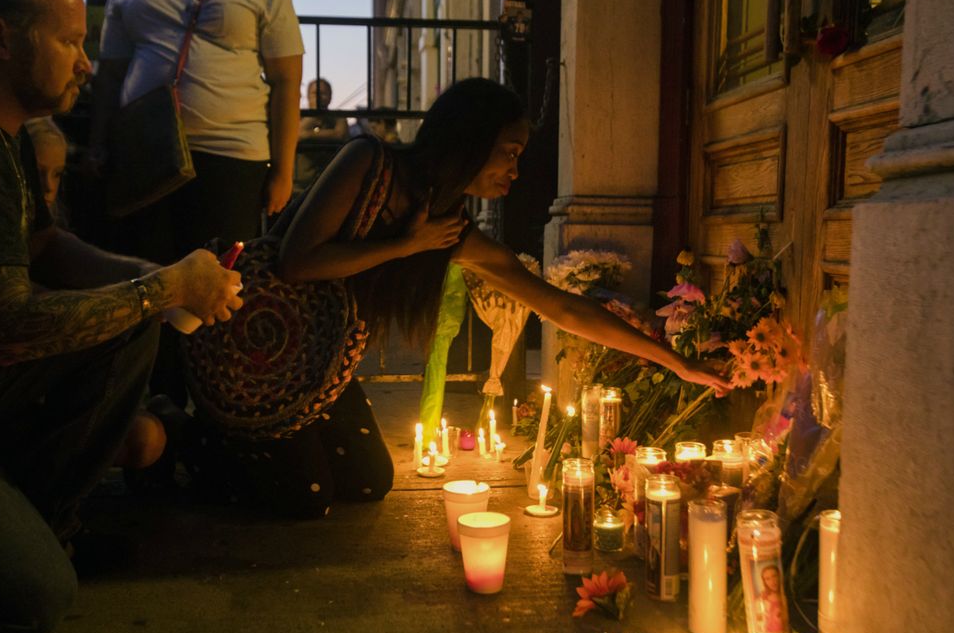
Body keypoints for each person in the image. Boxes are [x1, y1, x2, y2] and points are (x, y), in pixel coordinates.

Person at [182, 78, 730, 520]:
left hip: (317, 366)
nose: (516, 170)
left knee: (370, 481)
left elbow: (558, 306)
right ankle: (189, 435)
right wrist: (403, 246)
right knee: (309, 496)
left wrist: (674, 362)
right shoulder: (367, 163)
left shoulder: (452, 231)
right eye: (508, 153)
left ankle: (256, 442)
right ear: (469, 143)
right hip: (256, 347)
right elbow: (295, 262)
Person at [0, 0, 242, 633]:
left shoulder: (5, 125)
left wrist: (153, 279)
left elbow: (44, 242)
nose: (85, 61)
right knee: (34, 596)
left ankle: (44, 522)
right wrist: (163, 290)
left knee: (131, 326)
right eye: (70, 41)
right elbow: (8, 325)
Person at [92, 0, 305, 259]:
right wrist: (98, 143)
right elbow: (110, 74)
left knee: (218, 276)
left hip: (232, 153)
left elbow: (287, 81)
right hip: (144, 150)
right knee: (143, 267)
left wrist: (283, 171)